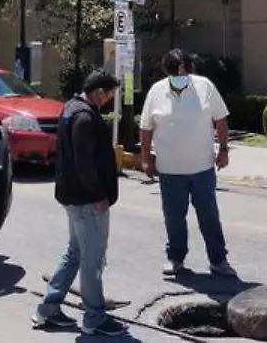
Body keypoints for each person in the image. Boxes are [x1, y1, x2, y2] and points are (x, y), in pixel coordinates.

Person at [33, 71, 128, 337]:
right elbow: (84, 163)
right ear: (99, 92)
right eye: (109, 95)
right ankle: (94, 318)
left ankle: (47, 310)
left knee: (75, 253)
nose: (109, 100)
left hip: (72, 196)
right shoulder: (85, 117)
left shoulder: (70, 108)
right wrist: (98, 195)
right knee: (92, 260)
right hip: (87, 201)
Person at [140, 49, 237, 278]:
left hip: (202, 168)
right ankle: (176, 259)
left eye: (183, 70)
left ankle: (218, 260)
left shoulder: (205, 86)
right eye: (176, 72)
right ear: (168, 72)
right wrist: (145, 159)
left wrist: (223, 150)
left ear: (190, 69)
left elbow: (221, 120)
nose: (180, 75)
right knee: (174, 218)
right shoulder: (157, 91)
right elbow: (146, 128)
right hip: (169, 170)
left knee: (209, 217)